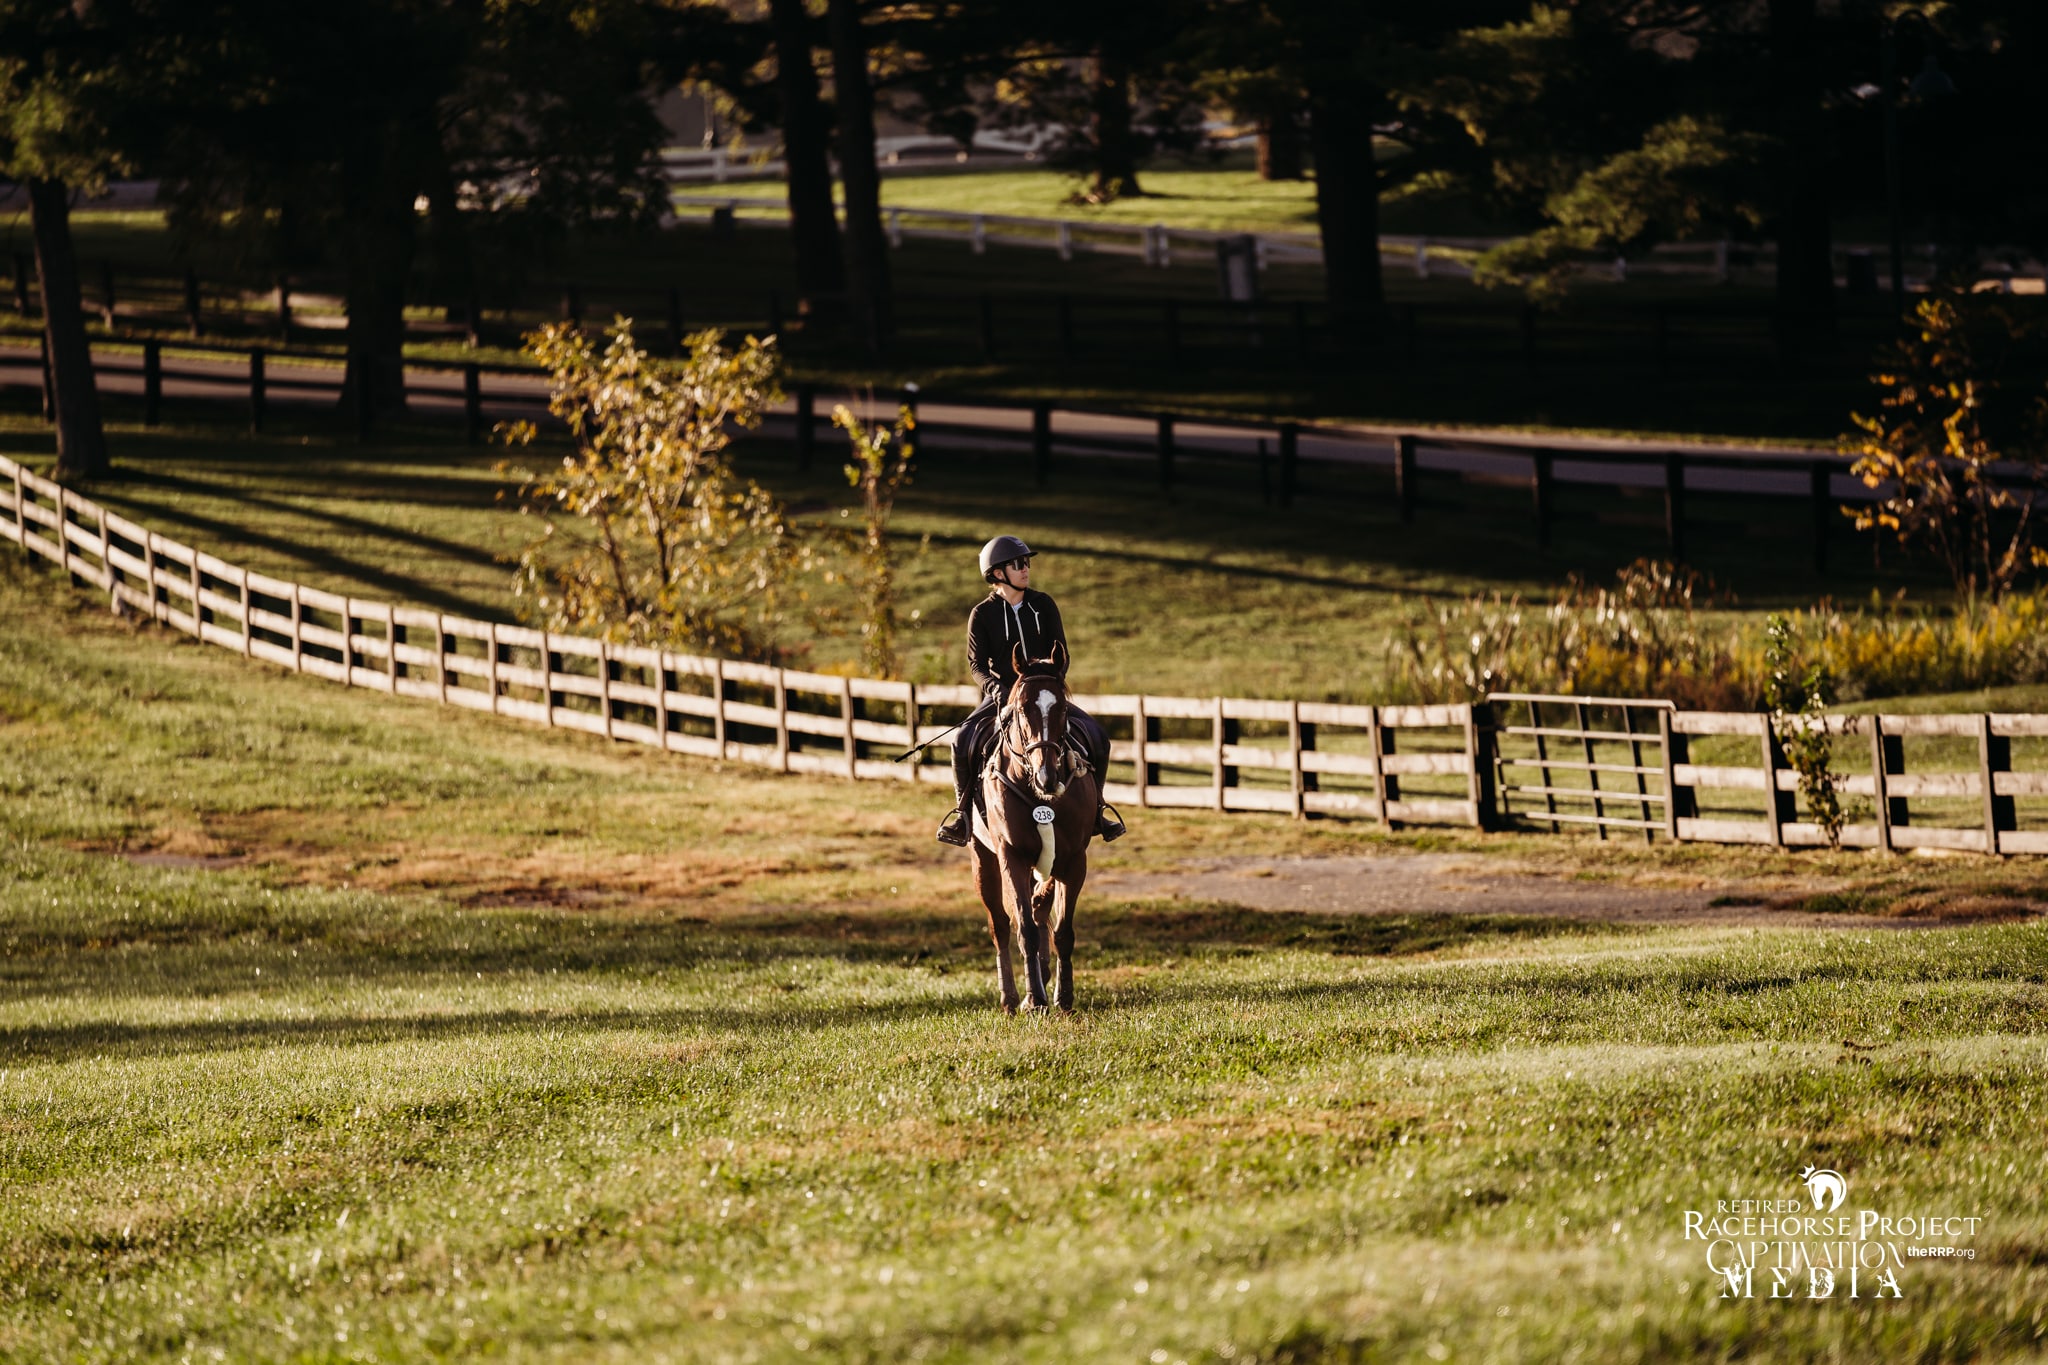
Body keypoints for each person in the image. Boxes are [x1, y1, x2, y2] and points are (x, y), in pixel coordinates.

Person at [935, 535, 1125, 847]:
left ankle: (1098, 811)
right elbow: (976, 665)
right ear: (997, 573)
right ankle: (963, 815)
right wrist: (997, 689)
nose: (1026, 569)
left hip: (1045, 695)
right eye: (1018, 564)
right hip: (1003, 695)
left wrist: (1050, 681)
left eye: (1027, 563)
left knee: (1098, 737)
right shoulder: (982, 615)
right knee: (960, 742)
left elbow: (1061, 651)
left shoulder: (1044, 604)